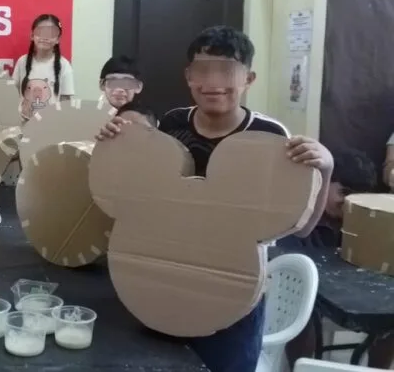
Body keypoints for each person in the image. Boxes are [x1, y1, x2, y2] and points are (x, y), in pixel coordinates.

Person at [96, 25, 334, 372]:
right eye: (202, 70)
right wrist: (114, 142)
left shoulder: (269, 137)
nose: (213, 82)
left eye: (226, 71)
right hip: (163, 281)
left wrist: (325, 168)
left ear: (248, 78)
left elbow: (301, 227)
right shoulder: (173, 124)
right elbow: (144, 196)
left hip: (234, 290)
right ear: (188, 76)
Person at [282, 150, 394, 369]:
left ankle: (376, 369)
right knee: (301, 307)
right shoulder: (302, 219)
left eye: (357, 197)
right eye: (344, 193)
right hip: (313, 292)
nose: (348, 203)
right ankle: (302, 366)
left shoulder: (365, 222)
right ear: (323, 184)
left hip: (355, 290)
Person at [13, 14, 74, 119]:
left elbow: (66, 103)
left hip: (51, 125)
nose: (45, 37)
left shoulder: (64, 65)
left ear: (58, 39)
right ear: (32, 36)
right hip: (23, 123)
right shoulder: (22, 62)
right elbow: (11, 93)